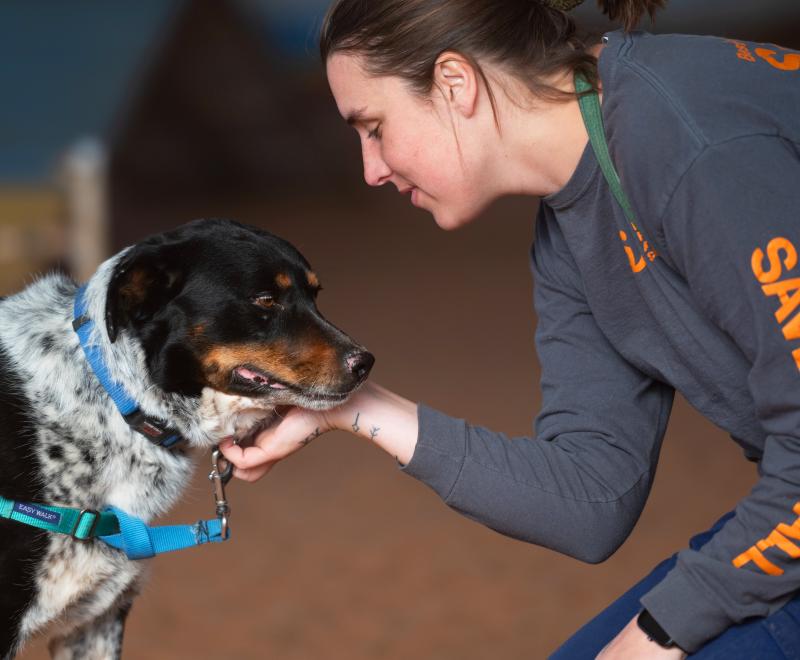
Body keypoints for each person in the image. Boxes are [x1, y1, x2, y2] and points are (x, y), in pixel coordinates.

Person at [220, 0, 800, 656]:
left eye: (375, 127)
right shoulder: (571, 226)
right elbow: (593, 496)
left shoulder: (691, 143)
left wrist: (660, 634)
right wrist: (352, 409)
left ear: (454, 84)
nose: (370, 169)